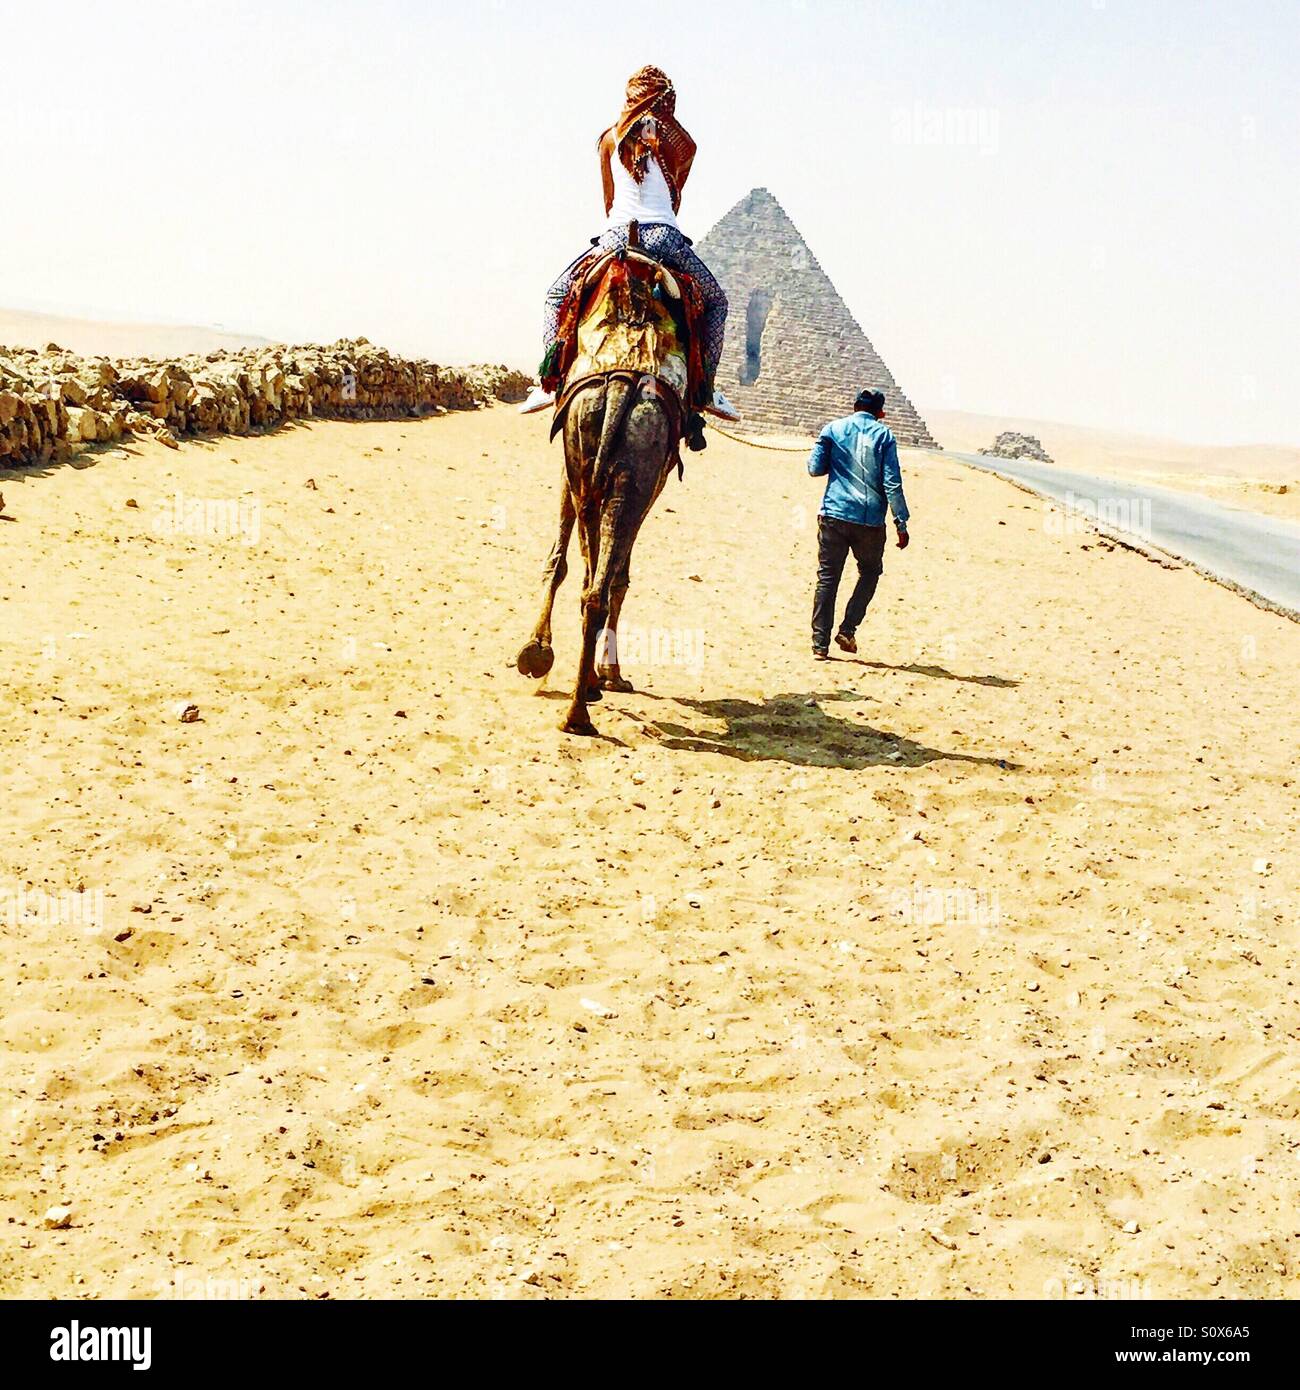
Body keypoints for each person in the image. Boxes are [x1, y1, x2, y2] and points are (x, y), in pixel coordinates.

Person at [519, 66, 740, 421]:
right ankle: (707, 390)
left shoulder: (609, 139)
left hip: (615, 238)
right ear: (667, 101)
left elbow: (608, 202)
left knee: (556, 296)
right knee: (716, 302)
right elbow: (676, 190)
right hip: (665, 239)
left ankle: (548, 385)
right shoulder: (680, 144)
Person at [807, 388, 910, 659]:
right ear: (880, 413)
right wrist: (901, 522)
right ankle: (848, 629)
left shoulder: (832, 429)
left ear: (854, 406)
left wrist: (834, 456)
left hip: (834, 515)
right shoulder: (885, 435)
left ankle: (820, 645)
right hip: (870, 522)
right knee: (870, 572)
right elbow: (892, 483)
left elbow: (814, 469)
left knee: (828, 578)